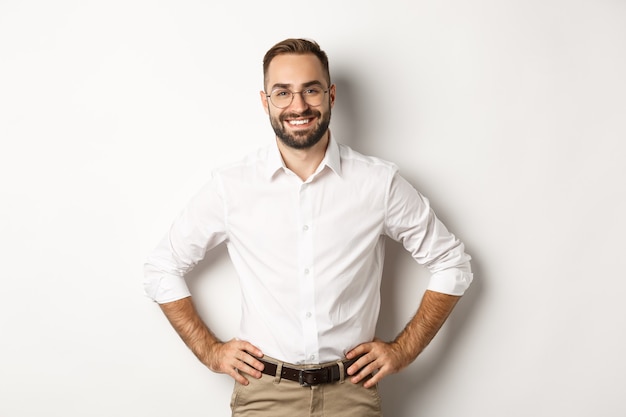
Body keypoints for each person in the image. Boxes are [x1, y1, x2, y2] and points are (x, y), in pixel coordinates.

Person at [143, 38, 473, 417]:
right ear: (265, 102)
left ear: (330, 95)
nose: (298, 106)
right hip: (264, 395)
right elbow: (161, 267)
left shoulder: (378, 183)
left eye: (310, 90)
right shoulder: (232, 187)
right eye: (283, 93)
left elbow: (452, 263)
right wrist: (210, 351)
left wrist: (403, 350)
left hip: (352, 394)